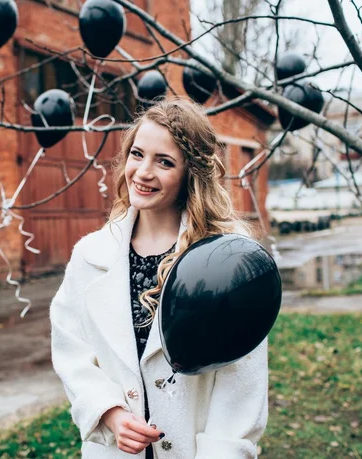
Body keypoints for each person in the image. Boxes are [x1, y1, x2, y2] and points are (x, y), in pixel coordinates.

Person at [50, 98, 268, 459]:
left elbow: (242, 382)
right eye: (137, 154)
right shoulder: (90, 256)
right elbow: (71, 351)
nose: (143, 172)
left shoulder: (228, 260)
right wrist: (110, 413)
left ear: (191, 173)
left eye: (164, 161)